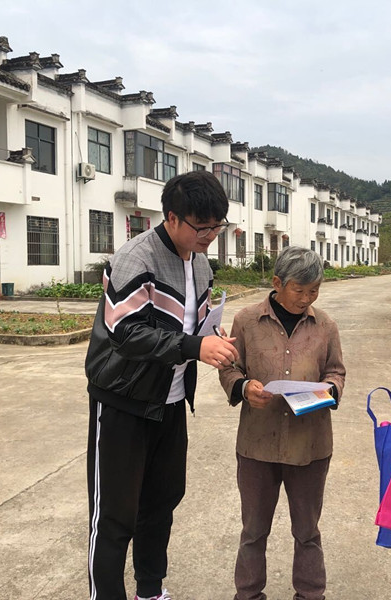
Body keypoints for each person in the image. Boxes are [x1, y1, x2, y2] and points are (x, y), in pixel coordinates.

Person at [84, 171, 239, 600]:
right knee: (114, 514)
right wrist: (194, 346)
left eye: (217, 226)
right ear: (171, 217)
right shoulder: (136, 258)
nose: (210, 235)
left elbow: (192, 325)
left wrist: (213, 337)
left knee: (162, 501)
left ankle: (150, 591)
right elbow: (125, 334)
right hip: (124, 400)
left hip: (170, 401)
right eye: (202, 226)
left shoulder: (200, 262)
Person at [219, 246, 346, 600]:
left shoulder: (326, 326)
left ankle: (310, 594)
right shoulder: (246, 321)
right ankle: (248, 594)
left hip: (310, 445)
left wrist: (328, 391)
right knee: (253, 531)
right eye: (299, 290)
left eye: (314, 291)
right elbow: (230, 367)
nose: (306, 298)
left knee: (307, 531)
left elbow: (336, 371)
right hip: (257, 445)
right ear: (277, 283)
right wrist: (244, 388)